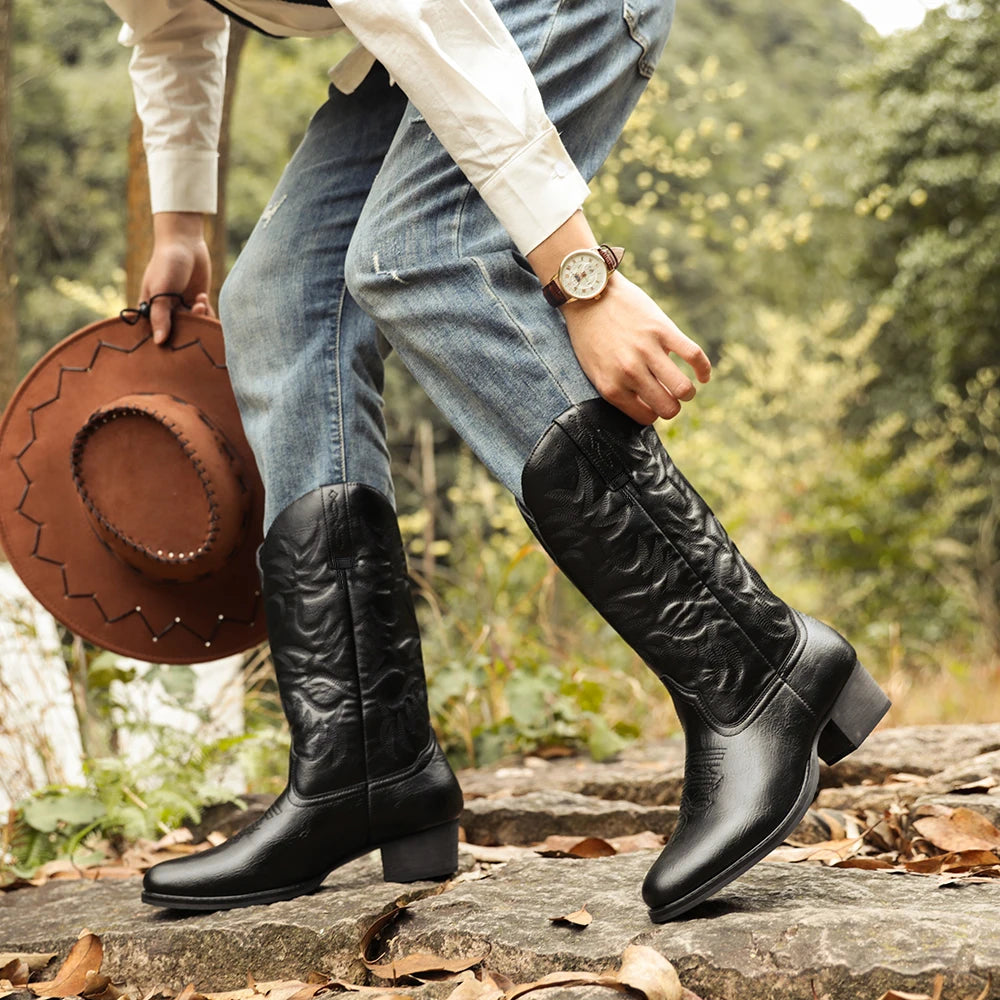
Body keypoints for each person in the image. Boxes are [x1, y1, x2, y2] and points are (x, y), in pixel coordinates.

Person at [105, 0, 890, 922]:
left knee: (416, 256)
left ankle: (752, 666)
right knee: (279, 300)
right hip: (420, 39)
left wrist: (576, 275)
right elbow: (167, 25)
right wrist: (180, 223)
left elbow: (420, 10)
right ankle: (364, 766)